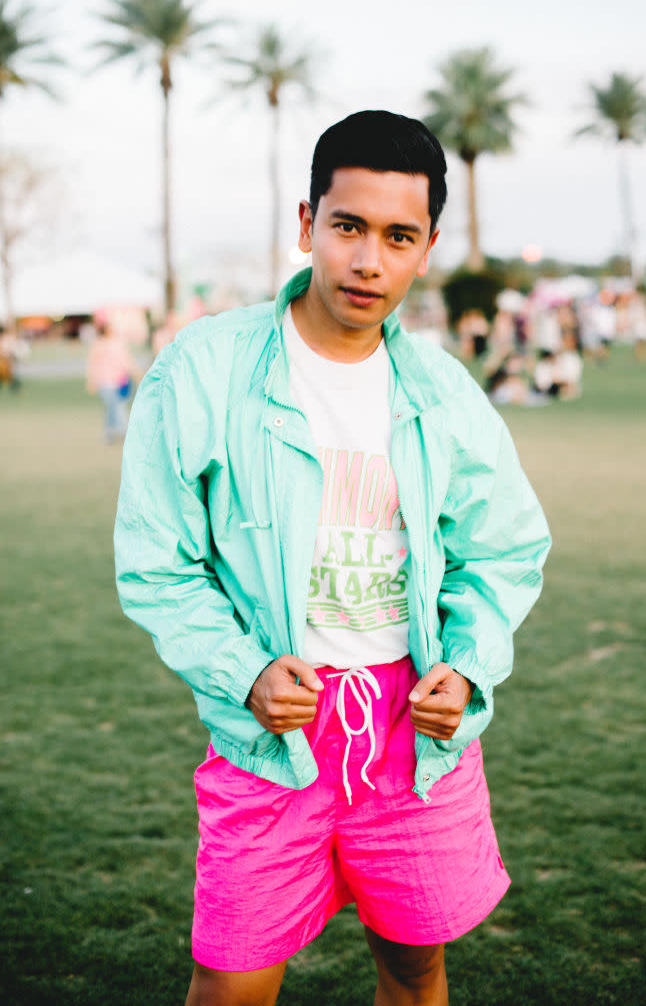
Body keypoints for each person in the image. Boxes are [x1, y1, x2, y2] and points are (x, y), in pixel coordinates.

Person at [114, 110, 551, 1006]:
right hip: (269, 735)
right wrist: (239, 672)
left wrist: (465, 668)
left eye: (397, 237)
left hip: (415, 733)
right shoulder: (202, 370)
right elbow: (156, 561)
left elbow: (503, 550)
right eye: (348, 227)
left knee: (414, 965)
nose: (367, 262)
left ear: (426, 246)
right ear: (307, 223)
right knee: (230, 984)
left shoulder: (444, 393)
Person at [86, 321, 137, 443]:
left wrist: (136, 374)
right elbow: (92, 363)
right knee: (111, 406)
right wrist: (92, 380)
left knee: (119, 406)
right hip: (105, 381)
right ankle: (114, 431)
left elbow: (127, 361)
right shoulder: (98, 344)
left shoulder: (119, 343)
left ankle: (118, 431)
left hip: (120, 380)